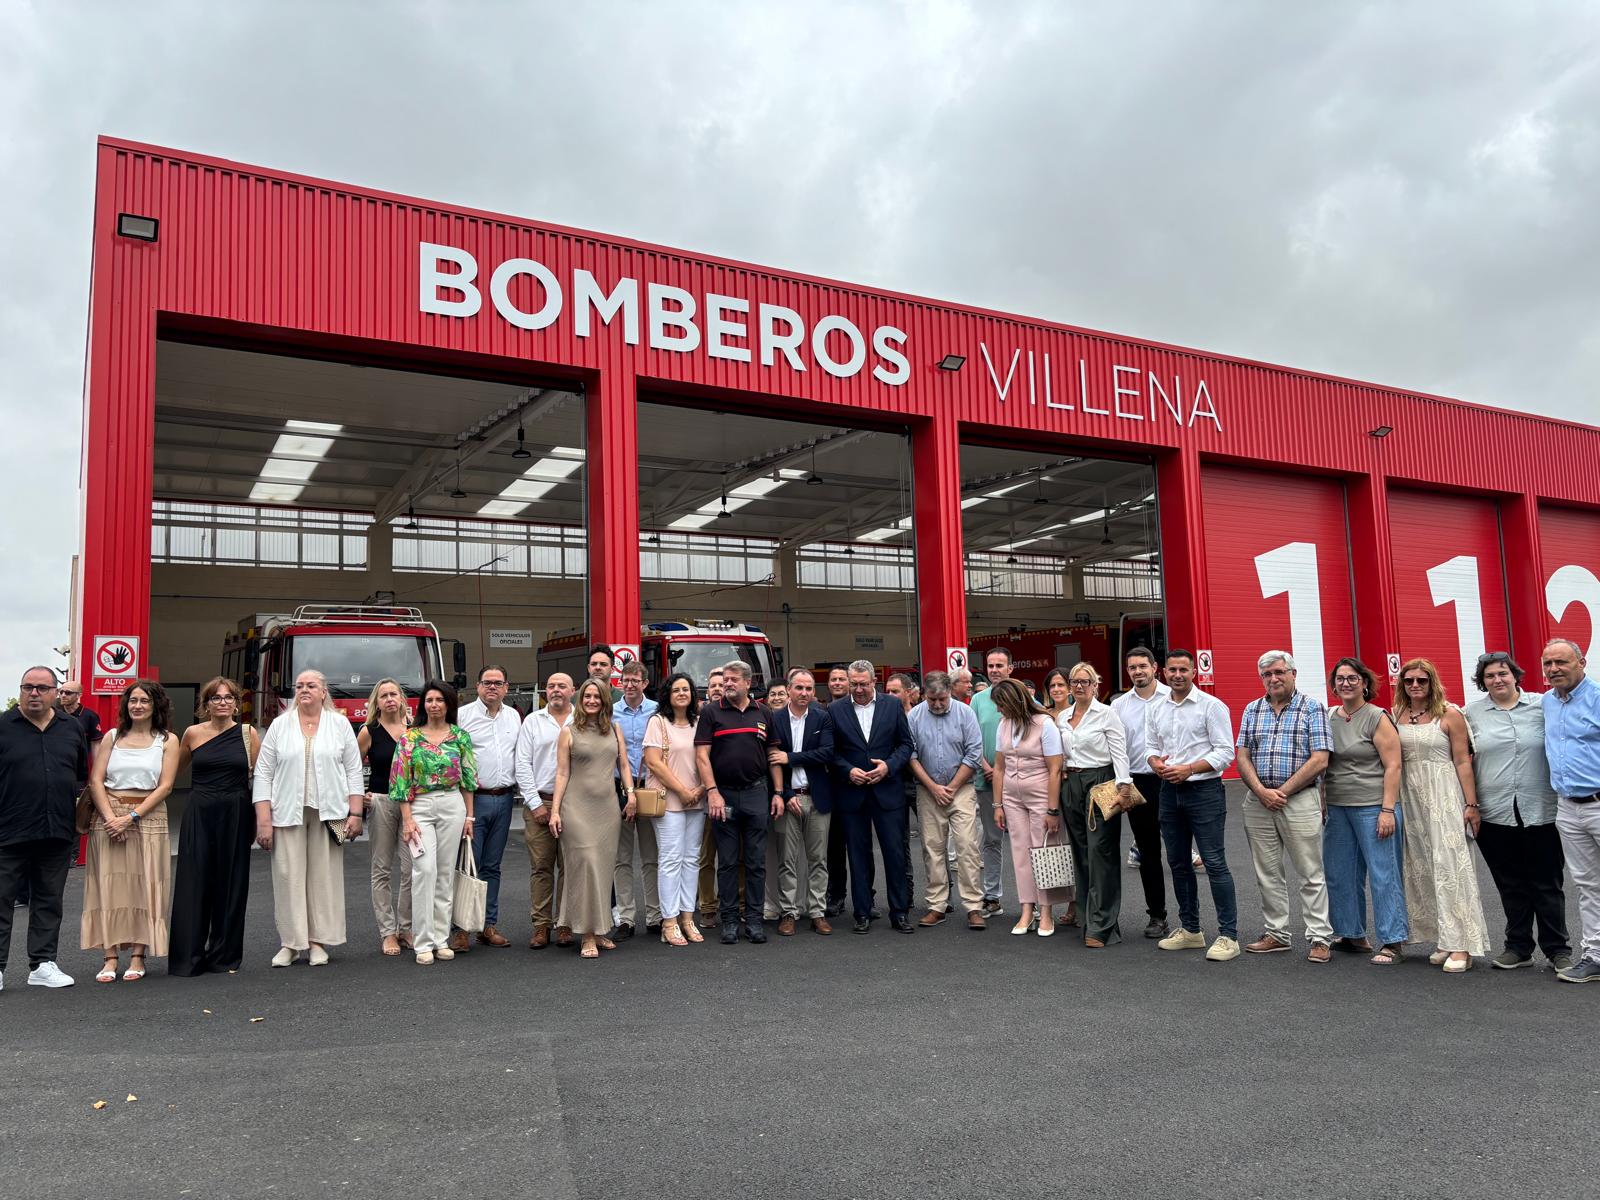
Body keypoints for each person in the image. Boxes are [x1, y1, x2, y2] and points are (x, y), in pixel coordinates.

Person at [1464, 651, 1570, 972]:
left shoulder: (1544, 706)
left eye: (1503, 674)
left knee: (1547, 883)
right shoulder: (1471, 714)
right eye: (1490, 676)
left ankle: (1558, 950)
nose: (1497, 680)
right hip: (1495, 813)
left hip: (1542, 809)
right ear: (1482, 682)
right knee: (1509, 884)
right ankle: (1518, 947)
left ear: (1515, 675)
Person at [252, 669, 365, 968]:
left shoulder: (339, 724)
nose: (304, 690)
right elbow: (263, 773)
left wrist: (356, 813)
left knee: (324, 877)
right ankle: (291, 943)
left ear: (323, 692)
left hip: (332, 812)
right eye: (299, 685)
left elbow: (354, 770)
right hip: (286, 812)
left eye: (311, 685)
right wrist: (264, 820)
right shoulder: (279, 725)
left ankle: (317, 942)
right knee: (288, 876)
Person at [1234, 651, 1334, 962]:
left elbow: (1320, 758)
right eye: (1267, 674)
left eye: (1279, 672)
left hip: (1299, 799)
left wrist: (1282, 792)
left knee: (1310, 872)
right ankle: (1277, 934)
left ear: (1292, 673)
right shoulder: (1253, 709)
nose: (1274, 678)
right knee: (1268, 872)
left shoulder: (1312, 708)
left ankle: (1320, 938)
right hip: (1258, 800)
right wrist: (1262, 791)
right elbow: (1242, 756)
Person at [1393, 658, 1490, 972]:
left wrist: (1471, 805)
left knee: (1452, 868)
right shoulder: (1397, 714)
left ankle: (1463, 944)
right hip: (1411, 800)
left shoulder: (1449, 714)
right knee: (1423, 869)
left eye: (1421, 680)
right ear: (1402, 684)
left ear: (1432, 682)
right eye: (1409, 681)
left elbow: (1463, 761)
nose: (1415, 686)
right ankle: (1444, 939)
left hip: (1445, 796)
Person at [83, 680, 180, 982]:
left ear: (156, 706)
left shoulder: (167, 740)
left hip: (148, 816)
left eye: (144, 701)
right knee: (107, 885)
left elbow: (165, 786)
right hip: (109, 816)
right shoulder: (112, 736)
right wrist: (112, 817)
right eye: (133, 700)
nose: (137, 706)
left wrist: (132, 817)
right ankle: (110, 957)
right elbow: (96, 781)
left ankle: (138, 955)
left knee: (146, 883)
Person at [1147, 650, 1239, 962]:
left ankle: (1229, 935)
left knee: (1214, 863)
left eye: (1183, 669)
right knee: (1177, 863)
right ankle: (1191, 931)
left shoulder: (1211, 707)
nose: (1177, 675)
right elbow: (1150, 746)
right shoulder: (1158, 707)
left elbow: (1226, 752)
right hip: (1168, 791)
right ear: (1164, 673)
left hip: (1204, 791)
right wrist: (1155, 762)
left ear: (1193, 673)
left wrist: (1190, 768)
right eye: (1172, 669)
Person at [0, 667, 88, 990]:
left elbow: (79, 774)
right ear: (20, 691)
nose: (34, 693)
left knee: (49, 899)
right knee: (2, 899)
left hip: (57, 829)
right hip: (8, 830)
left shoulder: (71, 728)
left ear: (55, 693)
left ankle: (42, 964)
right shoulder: (3, 726)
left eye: (41, 688)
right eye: (28, 687)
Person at [170, 676, 259, 976]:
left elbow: (261, 779)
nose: (222, 702)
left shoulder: (248, 734)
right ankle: (189, 958)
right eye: (216, 698)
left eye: (228, 697)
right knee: (194, 882)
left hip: (236, 812)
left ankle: (223, 956)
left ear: (237, 703)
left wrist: (263, 819)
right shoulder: (192, 734)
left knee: (231, 883)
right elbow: (170, 775)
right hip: (200, 812)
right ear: (205, 704)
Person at [1322, 657, 1408, 965]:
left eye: (1352, 678)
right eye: (1340, 678)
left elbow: (1393, 765)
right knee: (1340, 873)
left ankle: (1393, 940)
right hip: (1338, 806)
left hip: (1373, 807)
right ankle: (1352, 934)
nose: (1346, 683)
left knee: (1384, 875)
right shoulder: (1330, 716)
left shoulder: (1377, 717)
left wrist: (1387, 809)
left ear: (1365, 683)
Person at [390, 681, 477, 965]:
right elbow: (400, 781)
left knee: (444, 873)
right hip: (421, 806)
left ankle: (441, 939)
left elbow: (468, 779)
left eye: (440, 700)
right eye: (429, 700)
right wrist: (407, 820)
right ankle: (423, 940)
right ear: (423, 705)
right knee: (423, 870)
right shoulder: (410, 738)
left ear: (449, 704)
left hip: (453, 804)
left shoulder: (460, 737)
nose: (434, 705)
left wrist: (469, 816)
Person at [830, 660, 917, 934]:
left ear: (874, 682)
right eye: (853, 684)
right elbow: (830, 751)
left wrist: (888, 766)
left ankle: (900, 912)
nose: (858, 689)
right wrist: (848, 771)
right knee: (857, 855)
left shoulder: (892, 706)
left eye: (863, 684)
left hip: (887, 790)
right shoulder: (835, 710)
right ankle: (862, 912)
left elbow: (906, 744)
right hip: (852, 792)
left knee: (894, 853)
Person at [697, 661, 781, 943]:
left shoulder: (764, 713)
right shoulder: (711, 712)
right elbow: (701, 756)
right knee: (729, 862)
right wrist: (712, 791)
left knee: (756, 862)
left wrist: (778, 792)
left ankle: (754, 921)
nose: (728, 684)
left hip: (757, 792)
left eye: (733, 679)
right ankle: (730, 921)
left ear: (747, 683)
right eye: (725, 679)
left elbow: (773, 754)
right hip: (724, 794)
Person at [551, 678, 633, 959]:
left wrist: (631, 794)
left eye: (597, 696)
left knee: (601, 868)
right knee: (585, 864)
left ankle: (599, 930)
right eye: (587, 696)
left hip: (607, 809)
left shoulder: (615, 729)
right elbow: (561, 773)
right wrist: (554, 810)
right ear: (580, 699)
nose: (592, 701)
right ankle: (585, 934)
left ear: (605, 700)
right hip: (576, 808)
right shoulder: (568, 732)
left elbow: (623, 764)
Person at [1058, 663, 1133, 947]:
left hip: (1101, 782)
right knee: (1081, 853)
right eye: (1074, 681)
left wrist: (1123, 788)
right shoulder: (1063, 716)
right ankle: (1087, 918)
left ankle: (1102, 926)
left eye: (1085, 681)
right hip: (1071, 784)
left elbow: (1119, 753)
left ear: (1095, 685)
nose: (1078, 686)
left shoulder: (1107, 714)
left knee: (1101, 852)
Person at [1541, 638, 1600, 983]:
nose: (1554, 670)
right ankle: (1595, 955)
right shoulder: (1548, 702)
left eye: (1561, 662)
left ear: (1582, 662)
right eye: (1548, 663)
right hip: (1568, 808)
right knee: (1588, 885)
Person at [906, 671, 985, 931]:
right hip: (928, 790)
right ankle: (936, 906)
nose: (938, 704)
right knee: (932, 849)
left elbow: (974, 753)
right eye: (932, 700)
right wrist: (933, 787)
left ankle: (974, 906)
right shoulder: (915, 716)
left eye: (942, 699)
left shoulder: (965, 713)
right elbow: (911, 755)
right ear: (923, 695)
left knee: (967, 847)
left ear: (950, 692)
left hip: (960, 788)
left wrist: (950, 788)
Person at [451, 664, 521, 952]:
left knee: (492, 866)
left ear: (506, 687)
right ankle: (461, 929)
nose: (492, 687)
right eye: (487, 682)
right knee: (468, 865)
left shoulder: (515, 717)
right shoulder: (462, 716)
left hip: (504, 800)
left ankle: (487, 925)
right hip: (474, 800)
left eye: (498, 683)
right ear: (477, 686)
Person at [990, 678, 1067, 937]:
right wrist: (997, 804)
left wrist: (1052, 810)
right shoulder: (1004, 725)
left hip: (1041, 794)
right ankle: (1027, 909)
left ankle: (1046, 912)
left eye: (1001, 705)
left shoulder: (1045, 724)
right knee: (1020, 853)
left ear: (1013, 702)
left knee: (1042, 851)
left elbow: (1055, 769)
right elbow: (999, 767)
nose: (999, 710)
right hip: (1012, 796)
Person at [768, 668, 836, 935]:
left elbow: (827, 753)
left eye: (809, 689)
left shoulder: (823, 717)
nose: (805, 693)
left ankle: (817, 911)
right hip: (787, 799)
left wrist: (791, 757)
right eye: (799, 688)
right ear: (789, 690)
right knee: (787, 860)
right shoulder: (775, 719)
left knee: (818, 859)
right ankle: (789, 912)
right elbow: (771, 761)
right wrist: (785, 794)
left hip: (816, 798)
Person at [1110, 646, 1172, 938]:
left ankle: (1192, 918)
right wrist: (1122, 785)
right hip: (1137, 783)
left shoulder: (1172, 698)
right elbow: (1116, 748)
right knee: (1148, 853)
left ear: (1154, 667)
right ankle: (1157, 916)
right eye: (1132, 667)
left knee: (1180, 853)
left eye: (1142, 666)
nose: (1137, 672)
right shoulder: (1120, 705)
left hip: (1173, 781)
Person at [644, 672, 706, 946]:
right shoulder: (658, 722)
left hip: (697, 800)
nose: (682, 693)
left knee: (692, 859)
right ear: (668, 694)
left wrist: (700, 790)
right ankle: (668, 922)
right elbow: (654, 763)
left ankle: (687, 918)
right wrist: (682, 791)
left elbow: (708, 759)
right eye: (676, 689)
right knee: (670, 861)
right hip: (670, 801)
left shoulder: (700, 722)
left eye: (686, 689)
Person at [514, 672, 575, 949]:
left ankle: (564, 924)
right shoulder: (532, 722)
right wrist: (535, 804)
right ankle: (541, 926)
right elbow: (522, 764)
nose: (556, 690)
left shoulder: (583, 719)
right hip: (540, 802)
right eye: (551, 686)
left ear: (572, 690)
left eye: (562, 686)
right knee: (541, 868)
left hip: (574, 805)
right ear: (545, 692)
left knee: (570, 867)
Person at [358, 678, 413, 957]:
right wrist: (359, 797)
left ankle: (406, 928)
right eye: (384, 696)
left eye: (394, 694)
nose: (390, 699)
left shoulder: (414, 731)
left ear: (402, 699)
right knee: (381, 869)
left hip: (411, 806)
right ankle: (387, 932)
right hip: (380, 802)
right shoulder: (369, 731)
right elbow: (351, 768)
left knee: (410, 867)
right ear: (376, 703)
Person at [612, 660, 660, 939]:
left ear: (644, 683)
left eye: (634, 681)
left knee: (651, 857)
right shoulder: (611, 712)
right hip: (619, 789)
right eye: (625, 680)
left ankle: (654, 916)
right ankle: (626, 919)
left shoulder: (656, 711)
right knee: (622, 858)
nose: (629, 685)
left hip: (650, 789)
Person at [968, 648, 1015, 920]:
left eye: (1000, 665)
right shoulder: (977, 700)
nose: (995, 670)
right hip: (986, 782)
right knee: (992, 841)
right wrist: (989, 768)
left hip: (1019, 781)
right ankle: (992, 897)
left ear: (1011, 668)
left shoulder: (1024, 697)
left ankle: (1033, 902)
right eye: (991, 665)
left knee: (1027, 842)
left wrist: (1004, 770)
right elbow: (972, 739)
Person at [696, 667, 727, 926]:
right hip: (703, 800)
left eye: (722, 684)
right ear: (707, 690)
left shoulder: (737, 716)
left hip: (732, 797)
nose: (718, 688)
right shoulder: (699, 719)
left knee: (735, 857)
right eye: (713, 685)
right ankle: (707, 906)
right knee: (706, 858)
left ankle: (737, 903)